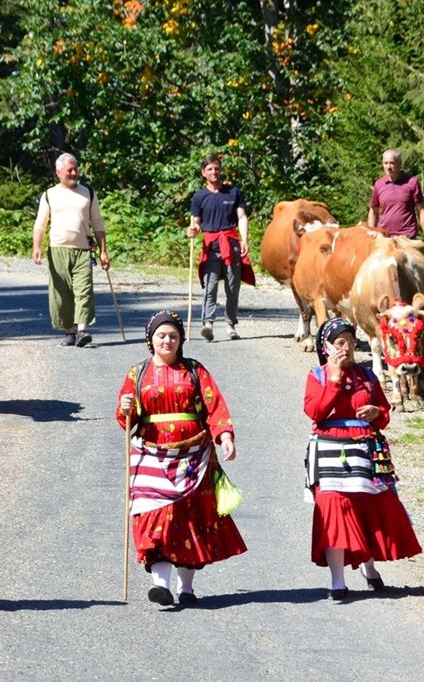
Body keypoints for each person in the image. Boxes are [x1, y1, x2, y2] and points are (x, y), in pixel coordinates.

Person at [116, 310, 247, 606]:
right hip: (151, 454)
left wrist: (224, 435)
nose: (167, 340)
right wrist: (125, 407)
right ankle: (160, 585)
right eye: (161, 335)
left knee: (189, 518)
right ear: (150, 340)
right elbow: (126, 421)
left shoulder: (195, 371)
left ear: (181, 340)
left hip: (193, 455)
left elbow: (215, 406)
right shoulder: (137, 374)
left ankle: (186, 588)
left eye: (173, 335)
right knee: (155, 514)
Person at [304, 317, 422, 600]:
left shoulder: (367, 376)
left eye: (351, 343)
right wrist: (334, 379)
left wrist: (375, 413)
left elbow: (384, 413)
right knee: (333, 510)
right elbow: (315, 412)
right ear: (327, 347)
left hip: (365, 452)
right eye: (340, 343)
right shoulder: (317, 376)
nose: (346, 348)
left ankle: (368, 566)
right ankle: (337, 580)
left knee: (368, 509)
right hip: (329, 452)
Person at [32, 153, 110, 348]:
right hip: (57, 249)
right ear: (58, 172)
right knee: (61, 294)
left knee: (84, 290)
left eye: (76, 169)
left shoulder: (88, 192)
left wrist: (103, 251)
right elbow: (40, 224)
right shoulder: (49, 194)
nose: (74, 173)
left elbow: (98, 223)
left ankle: (82, 330)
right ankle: (69, 331)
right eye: (69, 170)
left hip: (83, 249)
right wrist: (37, 247)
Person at [186, 155, 254, 342]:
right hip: (211, 244)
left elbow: (241, 217)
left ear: (220, 170)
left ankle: (230, 325)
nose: (213, 172)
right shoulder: (199, 197)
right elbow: (196, 222)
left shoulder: (233, 192)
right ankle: (208, 324)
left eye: (216, 168)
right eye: (209, 169)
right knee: (210, 286)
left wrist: (244, 240)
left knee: (232, 286)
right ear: (203, 173)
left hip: (231, 243)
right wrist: (192, 230)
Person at [366, 149, 424, 246]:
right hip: (384, 239)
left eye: (392, 163)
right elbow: (373, 211)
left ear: (399, 164)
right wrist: (370, 236)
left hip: (407, 239)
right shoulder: (379, 184)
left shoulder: (412, 182)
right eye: (385, 163)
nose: (388, 167)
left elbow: (421, 210)